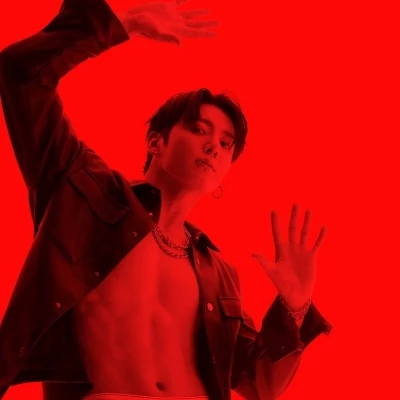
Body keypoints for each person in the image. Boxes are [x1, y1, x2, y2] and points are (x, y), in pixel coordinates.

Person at [0, 1, 332, 400]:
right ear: (156, 142)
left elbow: (258, 384)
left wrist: (294, 306)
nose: (213, 146)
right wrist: (122, 25)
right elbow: (21, 74)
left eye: (226, 144)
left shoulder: (220, 273)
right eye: (199, 130)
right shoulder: (83, 190)